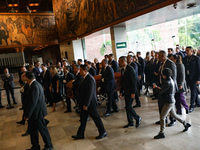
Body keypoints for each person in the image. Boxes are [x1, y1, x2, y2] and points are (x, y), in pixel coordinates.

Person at [153, 68, 191, 139]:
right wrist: (158, 88)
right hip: (171, 100)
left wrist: (155, 88)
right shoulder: (170, 79)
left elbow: (161, 92)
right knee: (174, 115)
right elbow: (164, 89)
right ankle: (185, 124)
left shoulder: (167, 82)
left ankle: (162, 132)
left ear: (164, 75)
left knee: (162, 117)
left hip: (169, 102)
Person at [72, 65, 107, 140]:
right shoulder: (84, 78)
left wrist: (86, 104)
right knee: (83, 119)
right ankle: (80, 134)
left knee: (96, 118)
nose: (79, 71)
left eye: (81, 70)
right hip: (84, 102)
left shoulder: (90, 79)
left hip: (90, 103)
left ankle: (103, 132)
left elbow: (90, 93)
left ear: (85, 71)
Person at [24, 72, 53, 150]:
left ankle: (49, 146)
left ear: (27, 78)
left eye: (24, 77)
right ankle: (35, 146)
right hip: (34, 113)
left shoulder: (35, 86)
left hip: (38, 113)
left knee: (43, 130)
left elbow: (33, 102)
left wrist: (27, 115)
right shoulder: (33, 85)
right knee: (33, 131)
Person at [155, 50, 178, 127]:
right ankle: (163, 119)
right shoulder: (160, 63)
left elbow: (173, 77)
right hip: (162, 86)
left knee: (170, 105)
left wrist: (171, 89)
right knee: (161, 104)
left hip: (168, 88)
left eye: (159, 56)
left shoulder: (170, 64)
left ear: (163, 56)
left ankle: (173, 120)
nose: (157, 57)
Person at [118, 56, 141, 128]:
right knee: (128, 106)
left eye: (119, 62)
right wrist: (121, 91)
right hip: (126, 91)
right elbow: (123, 82)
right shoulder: (122, 70)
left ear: (123, 62)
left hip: (131, 91)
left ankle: (137, 118)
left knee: (128, 107)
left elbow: (134, 82)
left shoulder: (130, 69)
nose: (118, 63)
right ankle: (130, 122)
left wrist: (133, 92)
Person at [183, 46, 200, 112]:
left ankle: (191, 105)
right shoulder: (185, 58)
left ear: (191, 51)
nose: (186, 51)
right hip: (187, 77)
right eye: (186, 50)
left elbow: (199, 69)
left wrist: (198, 79)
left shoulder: (196, 58)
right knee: (194, 90)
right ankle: (198, 103)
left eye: (187, 50)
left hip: (194, 78)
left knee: (193, 92)